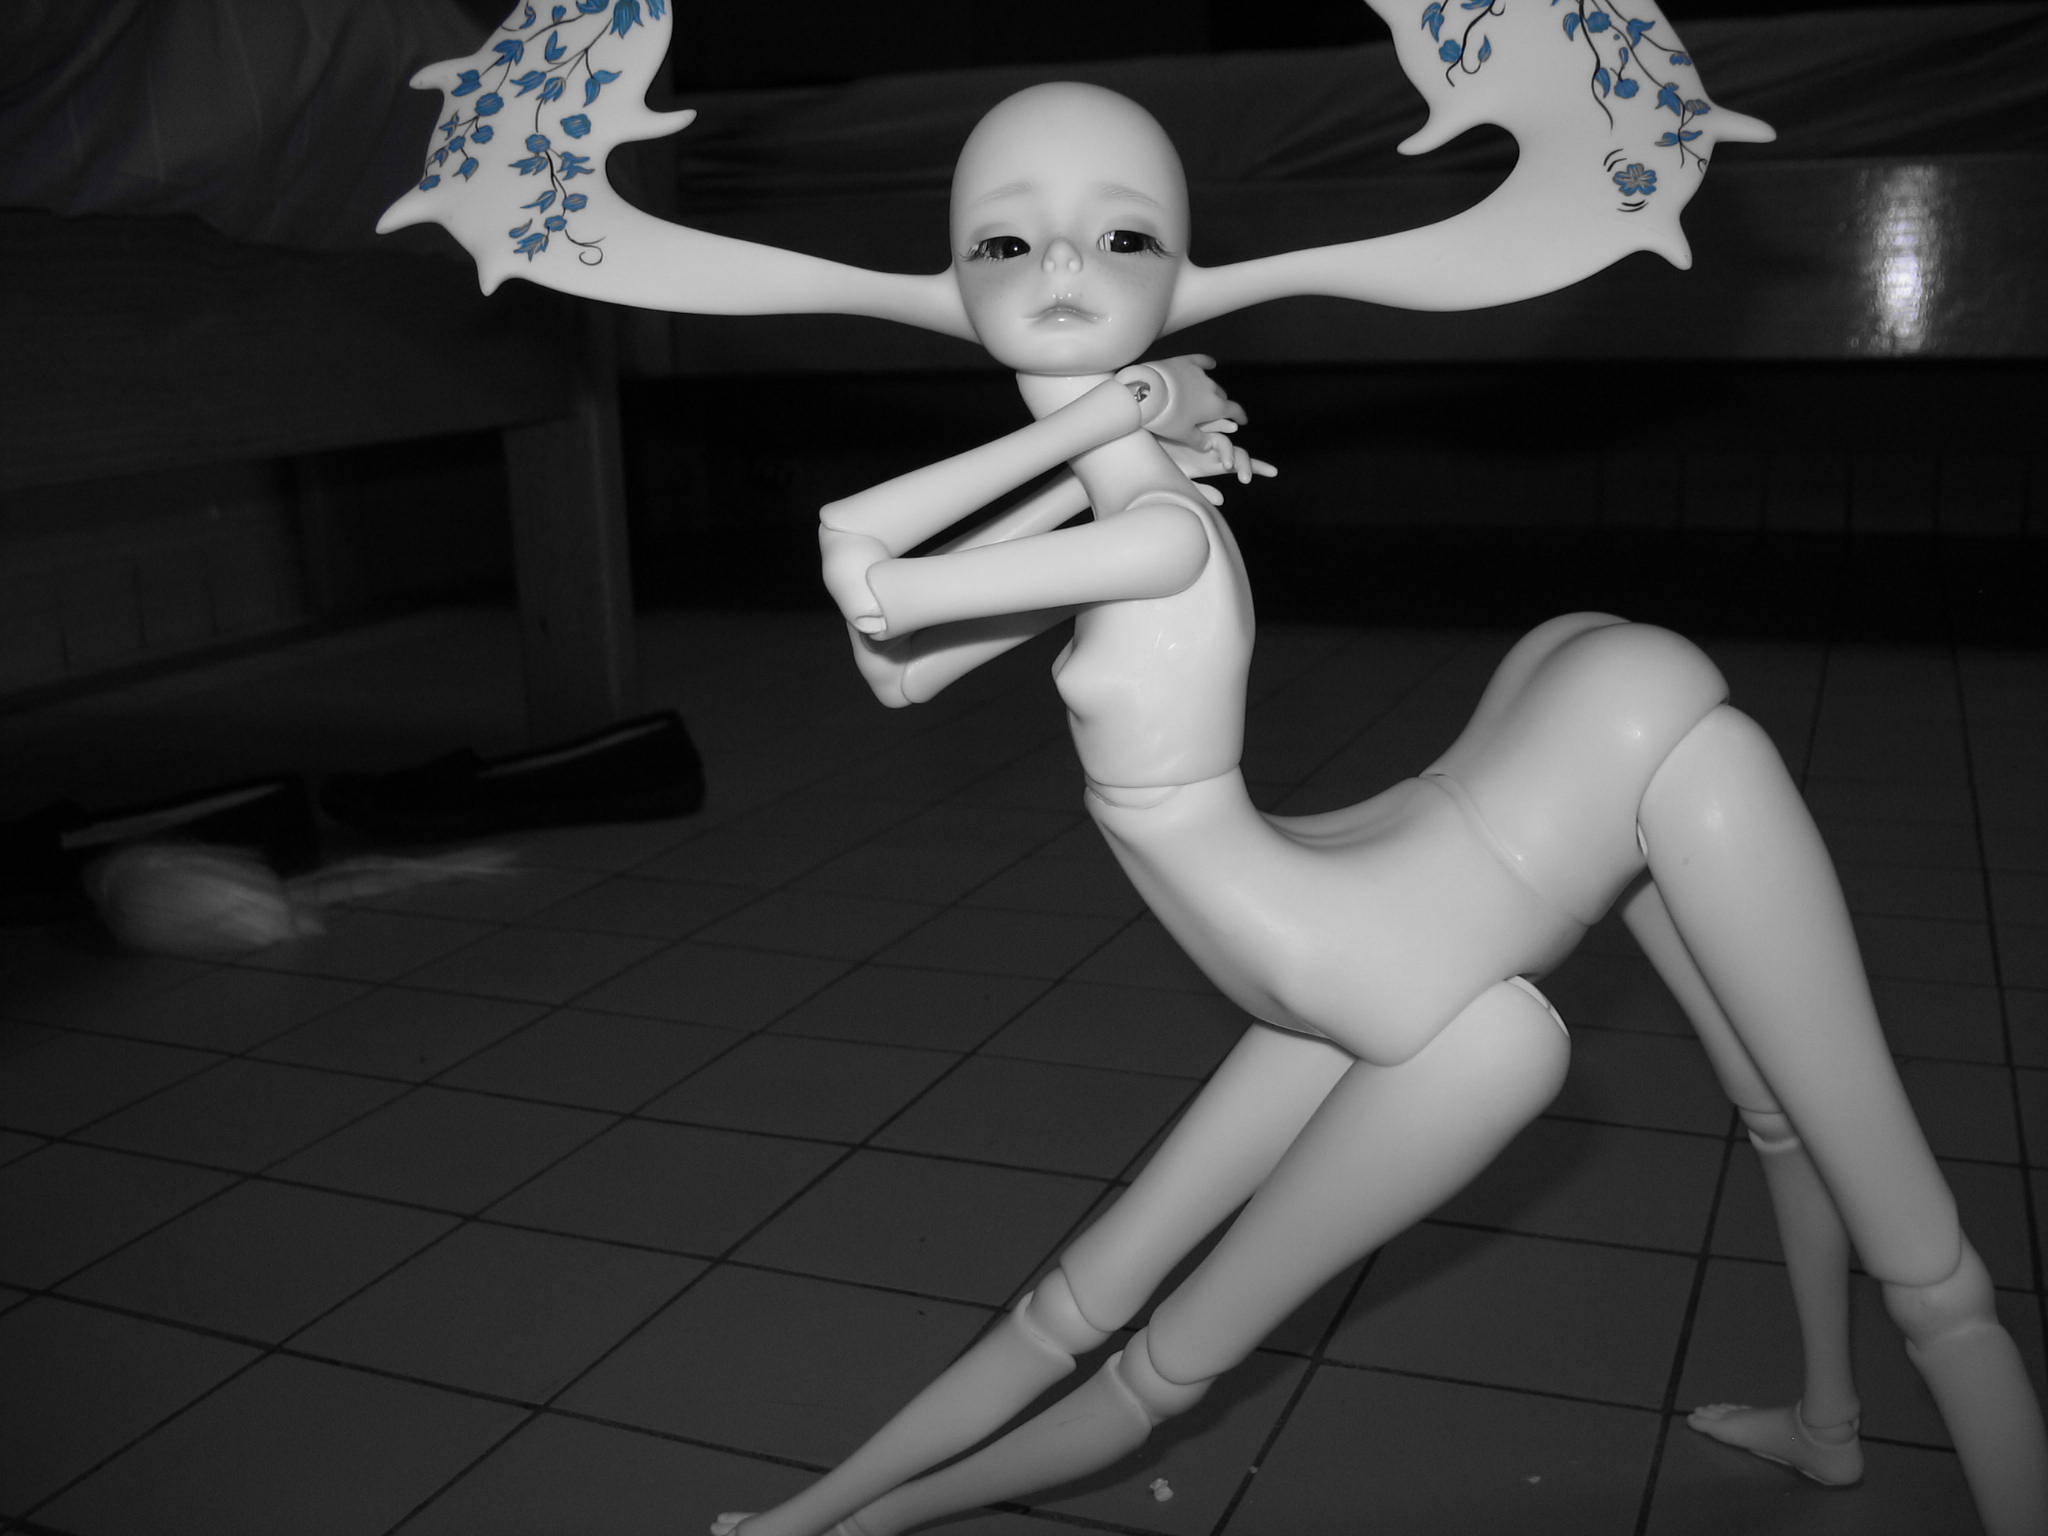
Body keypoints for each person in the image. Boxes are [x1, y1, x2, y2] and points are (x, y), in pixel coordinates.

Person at [378, 8, 2047, 1532]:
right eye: (1004, 243)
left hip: (1556, 808)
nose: (1060, 271)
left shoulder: (1157, 532)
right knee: (1092, 1306)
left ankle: (1873, 1421)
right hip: (1360, 899)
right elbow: (899, 665)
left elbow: (861, 555)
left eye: (1123, 240)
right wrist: (1099, 429)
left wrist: (1086, 421)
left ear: (1183, 272)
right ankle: (830, 1518)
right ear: (954, 273)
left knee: (1876, 1203)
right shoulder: (1120, 509)